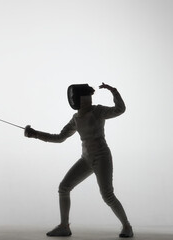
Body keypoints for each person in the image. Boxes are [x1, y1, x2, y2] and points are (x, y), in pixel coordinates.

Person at [24, 83, 133, 238]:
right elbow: (60, 138)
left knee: (107, 195)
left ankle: (127, 227)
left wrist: (113, 91)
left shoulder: (98, 111)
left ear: (83, 98)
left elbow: (120, 109)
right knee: (64, 187)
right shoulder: (76, 118)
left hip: (102, 157)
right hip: (87, 159)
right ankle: (64, 226)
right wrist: (35, 134)